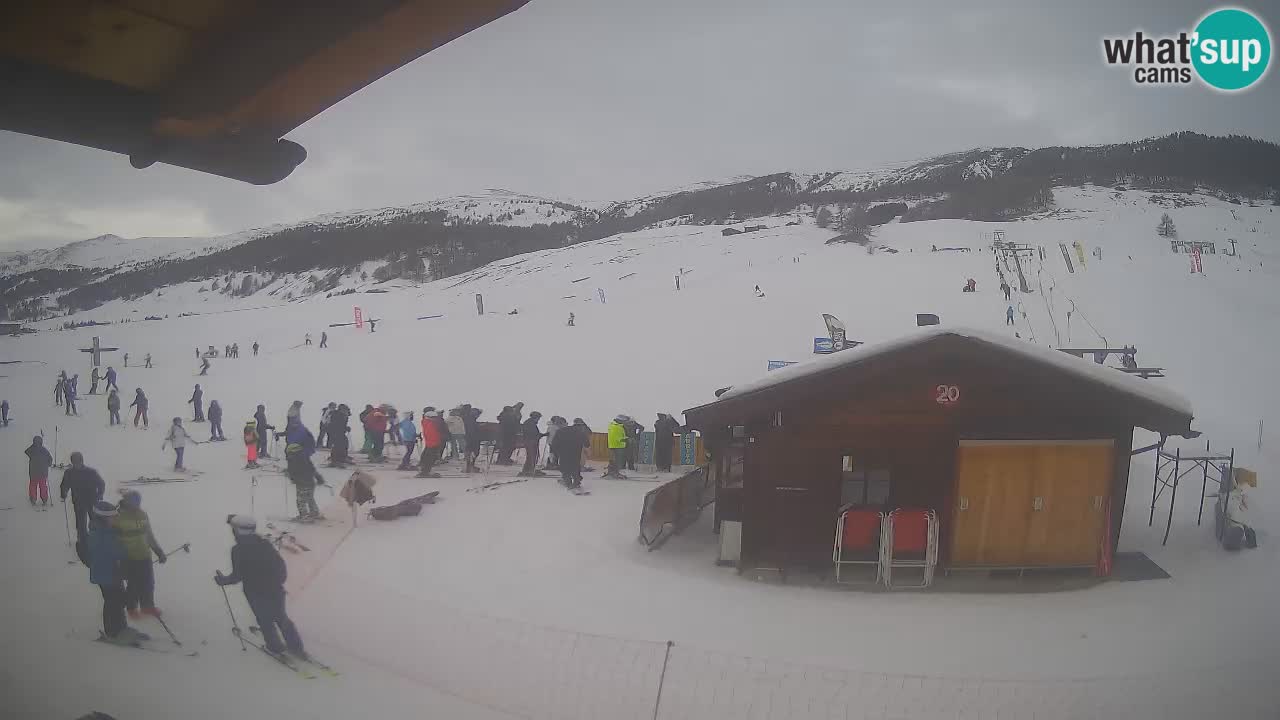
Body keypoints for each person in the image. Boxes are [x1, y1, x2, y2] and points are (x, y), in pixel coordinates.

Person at [215, 515, 306, 658]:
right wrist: (277, 583)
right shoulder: (265, 545)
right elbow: (281, 567)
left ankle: (275, 647)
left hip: (255, 592)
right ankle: (296, 647)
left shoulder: (238, 550)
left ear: (237, 532)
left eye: (234, 529)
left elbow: (237, 576)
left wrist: (223, 581)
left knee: (264, 619)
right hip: (275, 590)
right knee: (281, 618)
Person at [88, 501, 144, 645]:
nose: (115, 520)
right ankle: (112, 632)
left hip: (114, 573)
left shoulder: (107, 530)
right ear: (103, 519)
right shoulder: (99, 534)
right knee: (113, 602)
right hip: (105, 575)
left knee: (117, 601)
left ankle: (121, 628)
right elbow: (117, 550)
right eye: (112, 518)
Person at [113, 490, 167, 619]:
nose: (136, 505)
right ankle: (131, 608)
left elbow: (149, 535)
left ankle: (147, 606)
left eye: (138, 503)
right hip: (128, 557)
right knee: (134, 584)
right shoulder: (117, 516)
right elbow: (113, 539)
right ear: (126, 502)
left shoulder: (142, 514)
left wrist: (158, 551)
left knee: (148, 582)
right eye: (133, 503)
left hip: (144, 555)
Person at [60, 451, 106, 546]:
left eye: (78, 462)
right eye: (74, 462)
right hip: (78, 501)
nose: (76, 464)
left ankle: (96, 537)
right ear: (72, 462)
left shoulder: (91, 472)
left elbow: (101, 483)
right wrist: (63, 493)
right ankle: (82, 539)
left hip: (92, 500)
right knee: (81, 522)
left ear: (82, 461)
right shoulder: (69, 472)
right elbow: (64, 484)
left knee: (94, 520)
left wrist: (100, 494)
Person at [285, 442, 324, 521]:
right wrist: (319, 478)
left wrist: (289, 476)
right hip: (311, 483)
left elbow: (293, 472)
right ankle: (315, 513)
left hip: (301, 483)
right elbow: (312, 469)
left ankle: (304, 515)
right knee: (310, 498)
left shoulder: (292, 460)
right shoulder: (306, 458)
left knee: (301, 500)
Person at [551, 418, 588, 489]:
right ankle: (577, 481)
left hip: (564, 452)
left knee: (565, 467)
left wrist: (556, 452)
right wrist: (586, 446)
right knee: (575, 466)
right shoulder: (578, 431)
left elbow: (554, 444)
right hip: (576, 452)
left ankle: (568, 481)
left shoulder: (559, 431)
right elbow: (586, 441)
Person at [417, 408, 448, 478]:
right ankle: (426, 471)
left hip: (430, 443)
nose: (435, 419)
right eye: (434, 417)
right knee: (430, 458)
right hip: (433, 443)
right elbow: (433, 434)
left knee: (428, 457)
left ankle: (425, 471)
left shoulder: (426, 422)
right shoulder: (431, 424)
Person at [25, 435, 53, 506]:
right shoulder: (44, 450)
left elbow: (27, 451)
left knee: (33, 486)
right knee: (42, 486)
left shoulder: (32, 450)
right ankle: (44, 499)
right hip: (42, 472)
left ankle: (34, 498)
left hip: (34, 473)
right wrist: (49, 463)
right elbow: (50, 459)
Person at [518, 412, 547, 477]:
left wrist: (542, 435)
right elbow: (533, 434)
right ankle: (530, 470)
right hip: (531, 442)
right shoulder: (531, 424)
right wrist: (543, 435)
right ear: (535, 417)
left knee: (530, 456)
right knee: (532, 456)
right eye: (538, 418)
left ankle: (527, 470)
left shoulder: (529, 422)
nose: (538, 420)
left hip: (529, 441)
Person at [461, 404, 481, 473]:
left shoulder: (468, 418)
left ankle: (469, 466)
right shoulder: (471, 419)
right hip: (472, 438)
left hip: (469, 437)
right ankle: (469, 467)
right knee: (473, 452)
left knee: (470, 452)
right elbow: (471, 430)